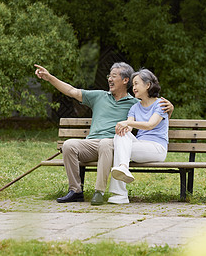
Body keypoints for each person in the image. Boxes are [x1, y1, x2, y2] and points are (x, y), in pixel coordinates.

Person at [34, 63, 173, 205]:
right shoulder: (100, 96)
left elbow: (151, 114)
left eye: (114, 76)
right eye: (109, 76)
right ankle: (75, 191)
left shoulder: (133, 102)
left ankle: (99, 192)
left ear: (126, 81)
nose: (109, 79)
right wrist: (49, 77)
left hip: (111, 144)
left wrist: (170, 109)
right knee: (69, 145)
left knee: (108, 142)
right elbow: (72, 91)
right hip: (92, 144)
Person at [108, 69, 169, 204]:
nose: (133, 88)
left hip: (157, 149)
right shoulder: (135, 107)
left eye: (136, 84)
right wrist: (124, 126)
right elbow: (129, 128)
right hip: (140, 146)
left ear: (148, 85)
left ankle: (120, 194)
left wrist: (127, 122)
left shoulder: (161, 104)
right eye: (133, 85)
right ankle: (123, 167)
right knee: (121, 135)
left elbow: (150, 125)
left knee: (120, 148)